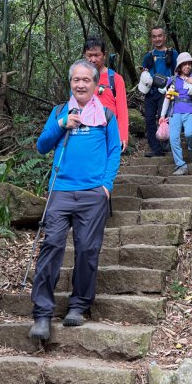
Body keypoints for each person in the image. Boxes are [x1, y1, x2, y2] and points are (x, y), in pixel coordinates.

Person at [29, 60, 121, 341]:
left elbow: (114, 150)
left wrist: (105, 186)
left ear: (95, 85)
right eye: (76, 80)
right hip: (61, 191)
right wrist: (61, 124)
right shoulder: (60, 111)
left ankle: (79, 306)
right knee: (52, 245)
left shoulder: (105, 114)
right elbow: (42, 146)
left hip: (93, 194)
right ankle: (42, 313)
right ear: (70, 83)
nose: (80, 84)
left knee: (87, 250)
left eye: (86, 80)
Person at [159, 52, 192, 176]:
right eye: (184, 64)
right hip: (174, 113)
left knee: (189, 133)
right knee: (174, 139)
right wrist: (162, 115)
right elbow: (167, 98)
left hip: (191, 111)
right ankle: (181, 165)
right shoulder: (173, 80)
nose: (187, 66)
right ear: (179, 66)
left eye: (189, 64)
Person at [83, 36, 129, 152]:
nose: (93, 60)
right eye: (89, 55)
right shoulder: (79, 78)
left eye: (97, 55)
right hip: (86, 132)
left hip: (109, 131)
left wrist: (123, 135)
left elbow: (122, 109)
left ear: (104, 54)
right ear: (84, 55)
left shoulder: (115, 79)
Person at [140, 26, 178, 157]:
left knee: (165, 119)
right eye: (154, 36)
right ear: (151, 39)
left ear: (165, 37)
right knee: (149, 120)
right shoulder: (148, 56)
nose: (157, 39)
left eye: (160, 36)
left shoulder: (172, 54)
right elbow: (144, 73)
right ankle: (155, 149)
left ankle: (166, 145)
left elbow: (177, 72)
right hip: (150, 93)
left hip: (166, 92)